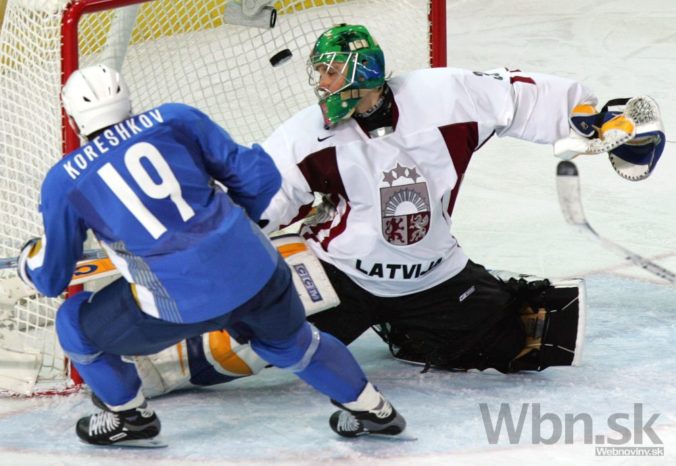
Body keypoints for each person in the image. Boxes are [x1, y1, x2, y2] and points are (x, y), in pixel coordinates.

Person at [128, 23, 665, 397]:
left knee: (528, 341)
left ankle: (408, 328)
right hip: (342, 272)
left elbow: (527, 98)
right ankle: (145, 362)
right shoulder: (304, 135)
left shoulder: (446, 96)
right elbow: (262, 200)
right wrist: (192, 237)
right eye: (319, 73)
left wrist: (596, 117)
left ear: (363, 74)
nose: (321, 84)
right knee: (239, 348)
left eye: (332, 74)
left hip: (433, 274)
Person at [16, 64, 407, 447]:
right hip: (258, 269)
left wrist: (27, 261)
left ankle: (130, 418)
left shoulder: (64, 181)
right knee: (294, 344)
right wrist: (233, 233)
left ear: (72, 119)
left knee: (74, 322)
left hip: (178, 303)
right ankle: (374, 410)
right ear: (127, 100)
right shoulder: (175, 118)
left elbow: (52, 277)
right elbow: (262, 178)